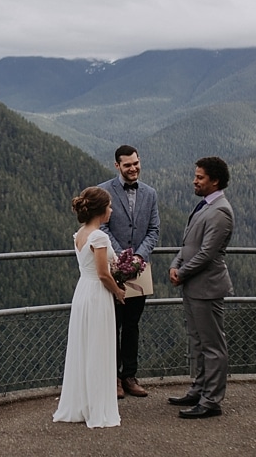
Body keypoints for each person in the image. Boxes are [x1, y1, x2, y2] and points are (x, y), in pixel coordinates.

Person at [52, 186, 125, 429]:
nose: (112, 210)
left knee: (83, 346)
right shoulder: (99, 237)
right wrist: (118, 291)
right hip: (98, 293)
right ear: (101, 210)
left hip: (83, 290)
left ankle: (82, 403)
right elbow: (104, 273)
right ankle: (97, 407)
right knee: (98, 347)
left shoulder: (80, 234)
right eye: (110, 206)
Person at [168, 156, 235, 420]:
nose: (194, 181)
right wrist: (176, 264)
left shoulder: (220, 211)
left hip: (207, 288)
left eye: (200, 177)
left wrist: (181, 273)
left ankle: (211, 400)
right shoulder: (205, 205)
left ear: (214, 180)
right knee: (197, 342)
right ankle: (198, 389)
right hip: (193, 286)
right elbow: (189, 244)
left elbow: (207, 253)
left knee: (212, 346)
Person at [97, 145, 159, 399]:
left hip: (140, 270)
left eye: (136, 163)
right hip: (112, 269)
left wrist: (137, 257)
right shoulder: (104, 190)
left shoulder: (150, 193)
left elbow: (154, 230)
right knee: (113, 324)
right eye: (128, 165)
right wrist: (121, 256)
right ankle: (112, 379)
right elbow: (102, 227)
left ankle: (129, 376)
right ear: (117, 166)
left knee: (133, 325)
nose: (133, 168)